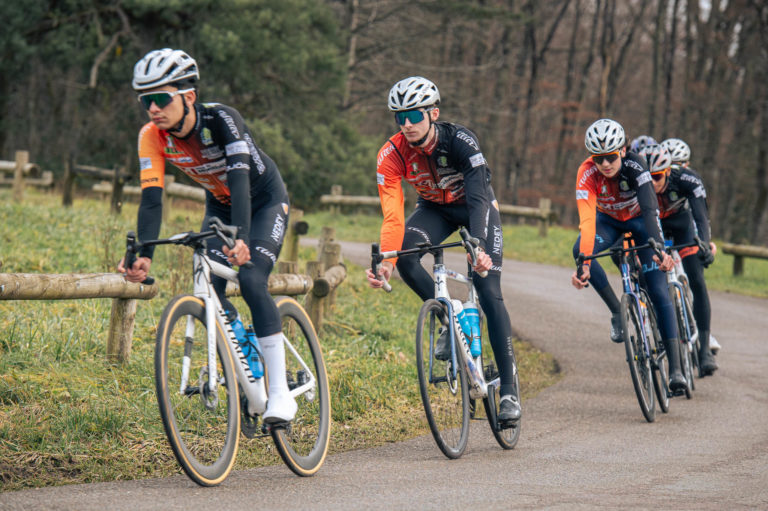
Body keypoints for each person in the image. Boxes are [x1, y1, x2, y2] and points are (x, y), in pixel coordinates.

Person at [118, 48, 297, 423]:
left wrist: (242, 238)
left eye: (161, 98)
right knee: (208, 284)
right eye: (145, 100)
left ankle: (281, 393)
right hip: (220, 207)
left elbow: (240, 180)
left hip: (263, 200)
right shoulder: (151, 136)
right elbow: (151, 200)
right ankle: (247, 357)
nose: (153, 108)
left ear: (189, 96)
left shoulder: (222, 120)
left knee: (251, 279)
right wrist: (144, 253)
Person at [366, 76, 521, 424]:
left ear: (433, 113)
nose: (407, 124)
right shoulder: (391, 154)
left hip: (475, 209)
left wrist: (478, 247)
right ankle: (448, 319)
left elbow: (479, 198)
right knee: (406, 257)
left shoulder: (461, 141)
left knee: (488, 289)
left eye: (414, 115)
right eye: (400, 117)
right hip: (433, 210)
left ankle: (509, 392)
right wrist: (387, 261)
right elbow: (393, 215)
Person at [571, 118, 686, 392]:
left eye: (611, 157)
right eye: (598, 158)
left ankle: (676, 369)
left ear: (622, 150)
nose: (605, 164)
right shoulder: (586, 173)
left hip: (639, 221)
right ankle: (616, 312)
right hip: (608, 223)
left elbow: (650, 209)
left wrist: (659, 250)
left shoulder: (636, 165)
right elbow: (587, 220)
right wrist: (584, 262)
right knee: (579, 251)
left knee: (658, 290)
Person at [659, 138, 722, 360]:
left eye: (680, 164)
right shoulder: (651, 177)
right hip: (657, 226)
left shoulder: (688, 178)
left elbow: (701, 217)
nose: (675, 168)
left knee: (696, 279)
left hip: (682, 226)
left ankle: (704, 350)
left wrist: (704, 243)